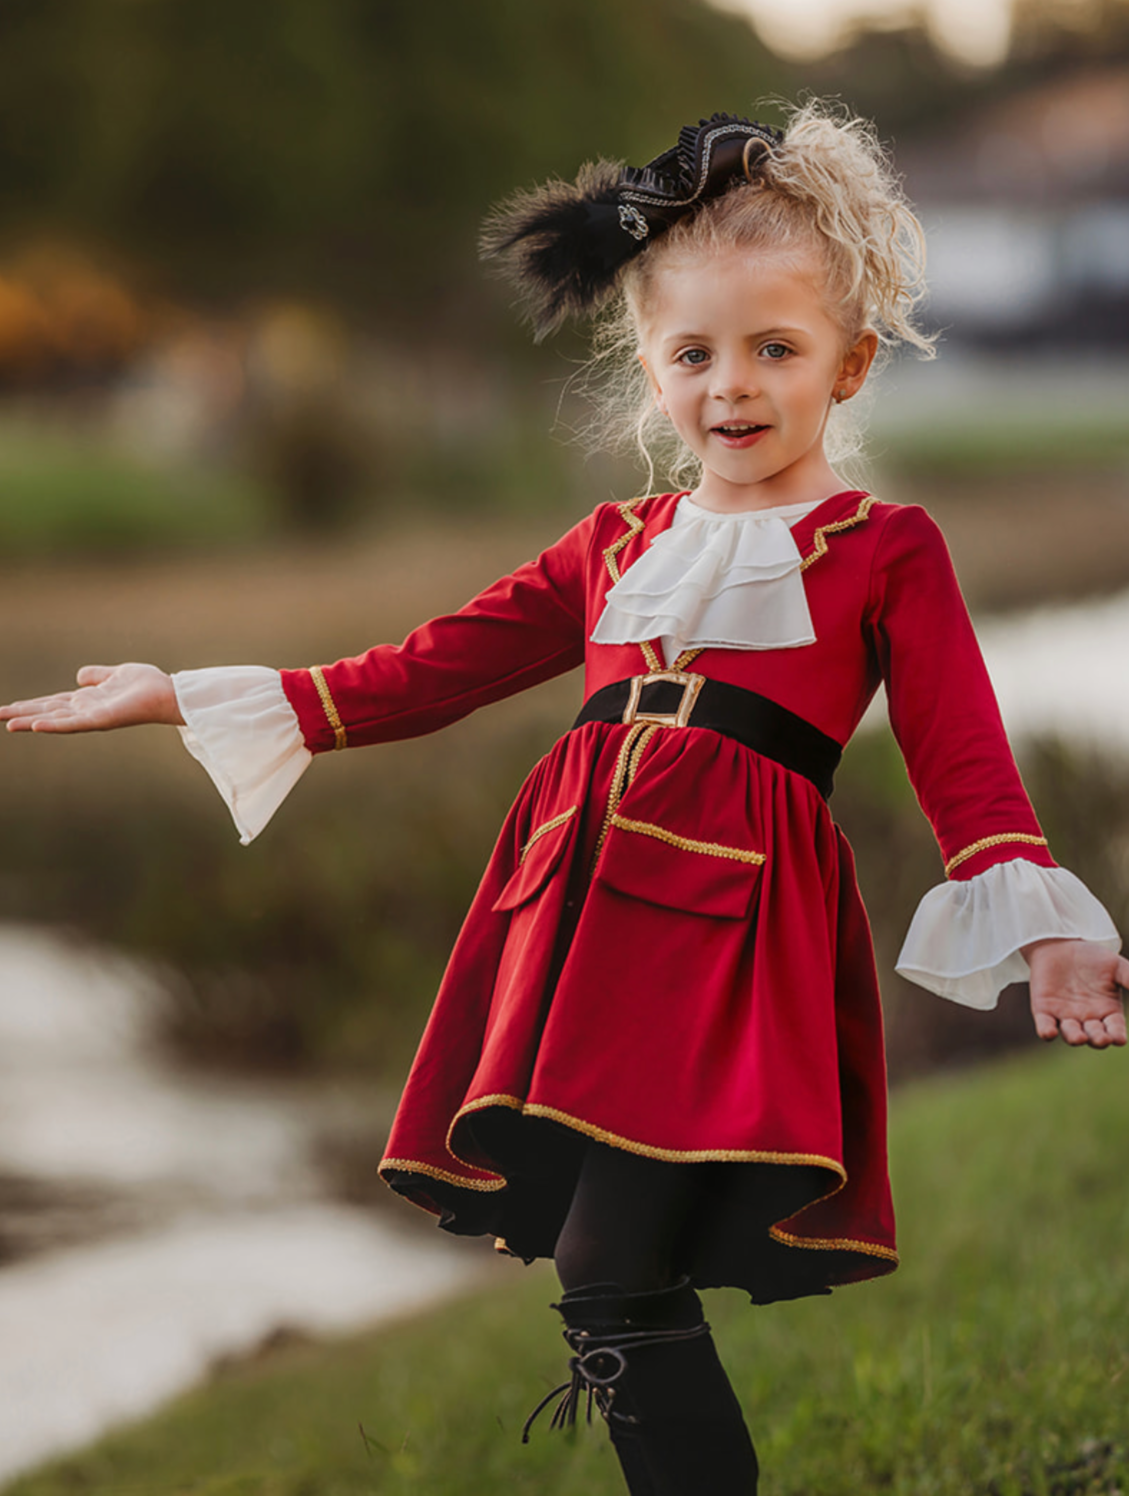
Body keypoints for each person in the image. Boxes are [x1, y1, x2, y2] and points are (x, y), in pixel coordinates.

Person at [2, 104, 1126, 1496]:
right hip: (579, 932)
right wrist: (182, 692)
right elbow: (425, 670)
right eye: (693, 353)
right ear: (650, 367)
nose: (733, 385)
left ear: (850, 363)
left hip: (727, 945)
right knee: (607, 1276)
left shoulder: (883, 546)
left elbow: (964, 757)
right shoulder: (615, 545)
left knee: (605, 1267)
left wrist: (1052, 934)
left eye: (775, 349)